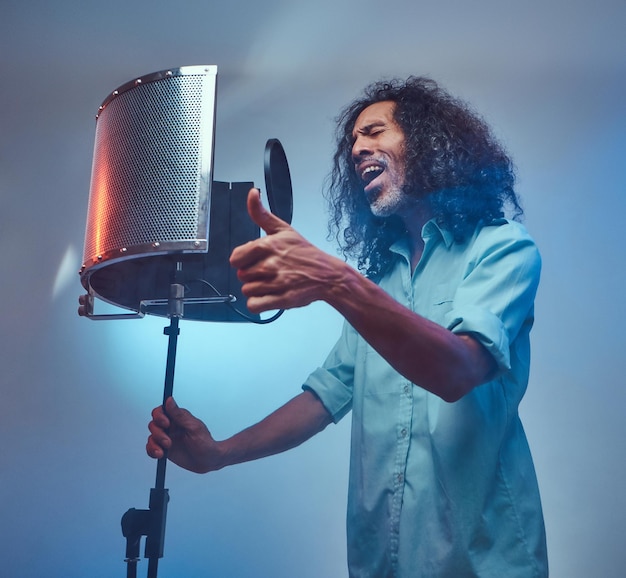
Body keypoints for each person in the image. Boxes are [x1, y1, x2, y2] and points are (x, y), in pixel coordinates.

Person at [147, 77, 548, 577]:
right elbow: (325, 396)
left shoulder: (503, 248)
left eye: (375, 132)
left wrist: (338, 283)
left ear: (426, 143)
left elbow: (458, 370)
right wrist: (220, 453)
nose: (358, 149)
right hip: (381, 564)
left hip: (483, 563)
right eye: (353, 142)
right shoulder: (380, 282)